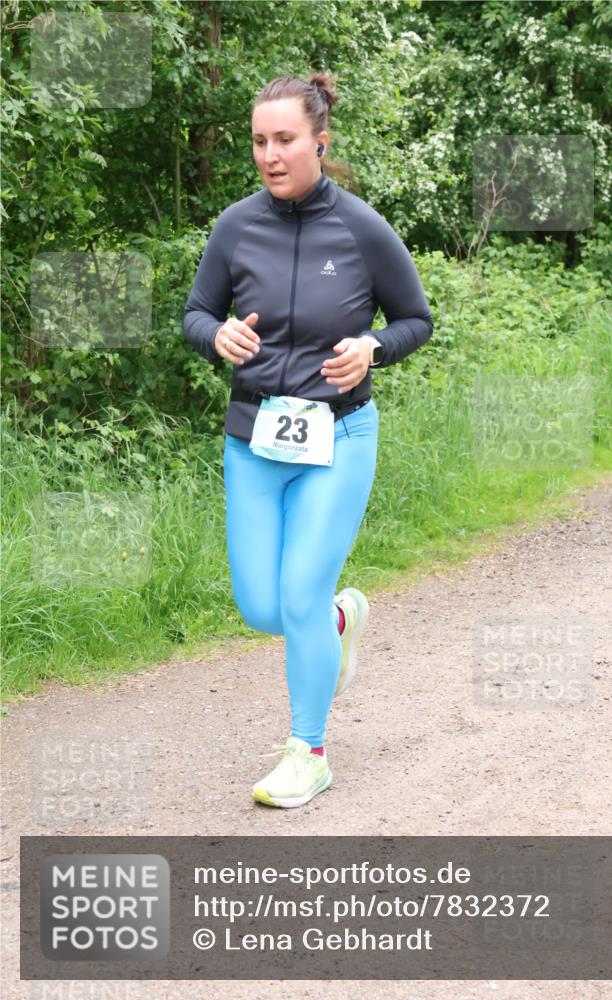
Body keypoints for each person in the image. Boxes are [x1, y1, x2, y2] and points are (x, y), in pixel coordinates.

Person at [183, 72, 433, 808]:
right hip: (254, 438)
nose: (270, 154)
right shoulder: (235, 227)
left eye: (284, 139)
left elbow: (415, 319)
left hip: (338, 436)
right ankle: (334, 621)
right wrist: (216, 335)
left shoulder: (359, 228)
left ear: (318, 141)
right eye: (259, 141)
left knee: (296, 591)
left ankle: (308, 751)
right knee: (264, 608)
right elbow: (196, 314)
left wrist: (374, 349)